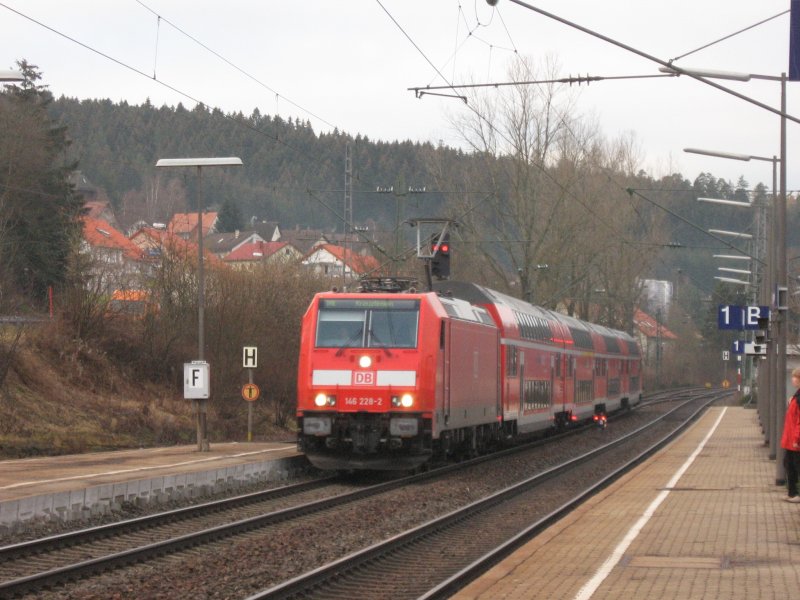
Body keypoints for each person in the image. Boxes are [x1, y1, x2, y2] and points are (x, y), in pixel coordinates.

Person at [781, 368, 800, 502]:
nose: (792, 379)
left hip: (795, 440)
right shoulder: (796, 396)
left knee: (796, 466)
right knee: (788, 464)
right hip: (790, 439)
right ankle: (792, 493)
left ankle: (794, 493)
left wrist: (796, 439)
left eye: (795, 377)